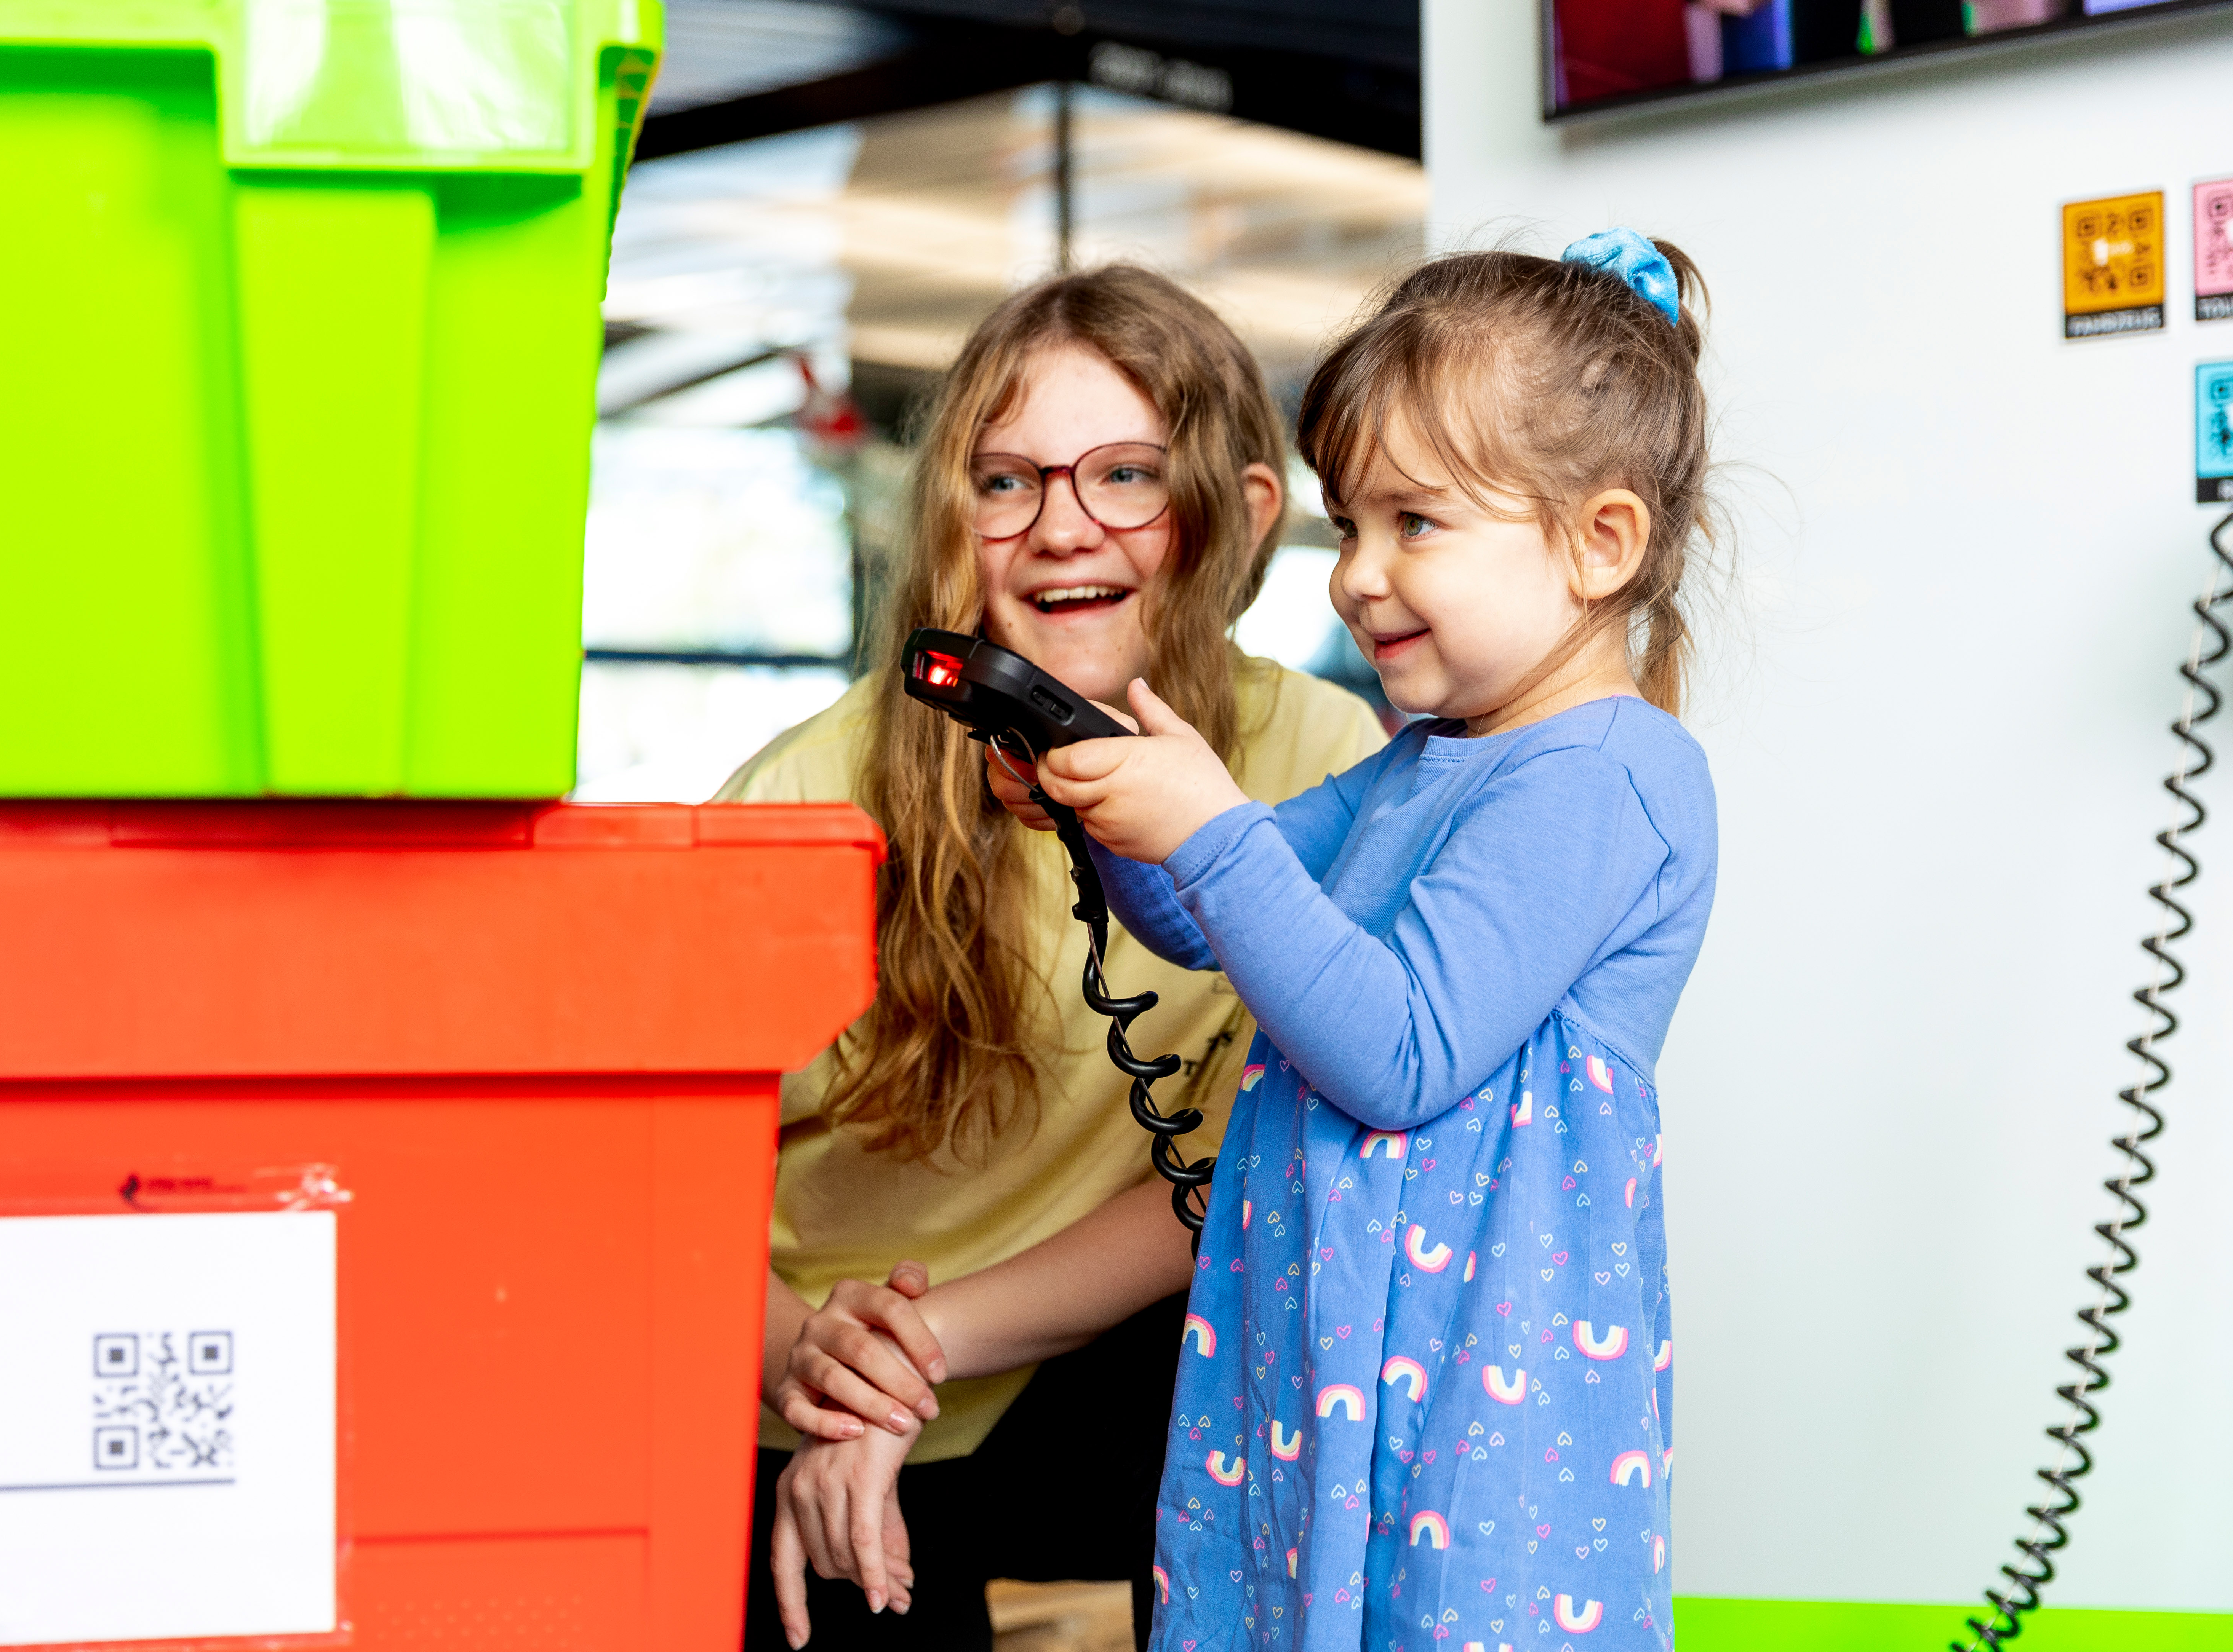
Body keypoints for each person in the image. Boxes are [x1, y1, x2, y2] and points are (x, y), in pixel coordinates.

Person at [989, 231, 1721, 1650]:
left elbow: (1400, 1050)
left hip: (1473, 1407)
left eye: (1414, 523)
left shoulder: (1608, 774)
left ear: (1599, 542)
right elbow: (1206, 914)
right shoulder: (1417, 762)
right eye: (1348, 525)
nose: (1355, 576)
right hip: (1324, 1368)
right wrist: (1112, 810)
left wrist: (1207, 823)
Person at [715, 265, 1388, 1651]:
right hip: (790, 1368)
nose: (1060, 526)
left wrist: (916, 1357)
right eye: (1005, 481)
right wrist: (821, 1379)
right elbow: (632, 1188)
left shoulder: (1323, 760)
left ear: (1243, 513)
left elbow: (1230, 1175)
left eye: (1126, 475)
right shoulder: (805, 796)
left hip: (1064, 1373)